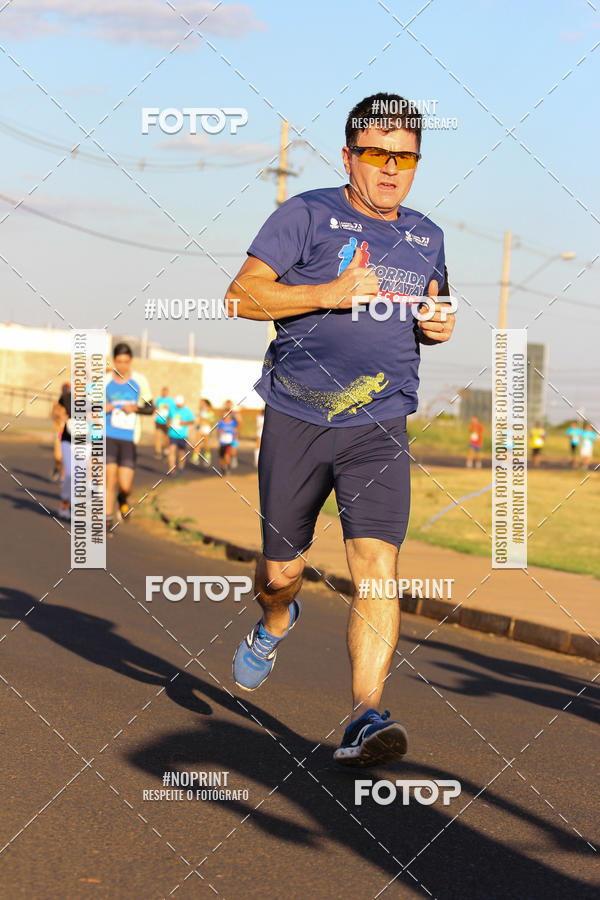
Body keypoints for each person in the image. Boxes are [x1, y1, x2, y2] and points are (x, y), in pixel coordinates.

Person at [226, 92, 455, 766]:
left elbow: (430, 312)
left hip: (379, 423)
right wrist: (326, 293)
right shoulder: (305, 214)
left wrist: (436, 327)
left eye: (405, 158)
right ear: (349, 156)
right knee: (280, 573)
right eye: (377, 155)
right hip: (298, 417)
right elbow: (240, 296)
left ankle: (364, 715)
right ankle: (275, 621)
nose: (390, 169)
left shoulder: (427, 237)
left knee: (377, 568)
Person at [105, 343, 154, 531]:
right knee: (109, 480)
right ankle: (107, 520)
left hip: (129, 438)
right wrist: (101, 407)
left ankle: (122, 498)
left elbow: (151, 409)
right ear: (114, 361)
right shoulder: (105, 381)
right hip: (108, 436)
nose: (122, 366)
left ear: (131, 361)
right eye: (119, 361)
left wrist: (135, 408)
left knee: (125, 486)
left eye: (126, 362)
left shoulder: (139, 381)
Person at [53, 383, 72, 519]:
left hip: (86, 441)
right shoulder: (66, 398)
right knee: (69, 473)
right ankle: (65, 502)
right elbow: (56, 412)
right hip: (66, 437)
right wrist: (61, 415)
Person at [167, 395, 196, 474]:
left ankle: (180, 468)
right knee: (172, 451)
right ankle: (171, 468)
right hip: (172, 434)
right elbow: (169, 417)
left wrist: (184, 423)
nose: (178, 406)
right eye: (177, 404)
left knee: (181, 452)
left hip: (182, 435)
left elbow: (193, 421)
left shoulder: (187, 410)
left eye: (180, 405)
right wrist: (168, 423)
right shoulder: (172, 409)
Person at [50, 383, 70, 482]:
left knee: (67, 456)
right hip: (58, 431)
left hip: (69, 432)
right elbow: (52, 415)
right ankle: (57, 468)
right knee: (58, 457)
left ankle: (63, 478)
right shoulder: (58, 403)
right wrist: (57, 414)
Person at [217, 400, 238, 475]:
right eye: (225, 414)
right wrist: (221, 431)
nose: (226, 416)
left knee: (227, 455)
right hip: (222, 442)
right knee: (222, 456)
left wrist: (235, 437)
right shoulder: (221, 422)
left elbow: (235, 430)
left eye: (228, 414)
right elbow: (218, 431)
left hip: (229, 442)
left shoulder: (233, 422)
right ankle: (223, 467)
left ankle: (228, 467)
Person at [191, 398, 215, 466]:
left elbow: (211, 420)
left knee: (206, 444)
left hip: (205, 428)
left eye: (202, 403)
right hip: (199, 428)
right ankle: (195, 458)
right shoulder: (199, 411)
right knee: (197, 443)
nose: (200, 404)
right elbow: (196, 419)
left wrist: (203, 418)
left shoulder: (209, 411)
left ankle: (207, 457)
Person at [154, 387, 173, 459]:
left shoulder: (170, 401)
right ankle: (158, 452)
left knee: (166, 437)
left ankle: (166, 450)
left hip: (166, 421)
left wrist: (169, 420)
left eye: (165, 391)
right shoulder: (159, 400)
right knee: (157, 436)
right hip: (158, 420)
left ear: (167, 392)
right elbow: (156, 408)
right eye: (163, 391)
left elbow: (172, 411)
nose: (164, 393)